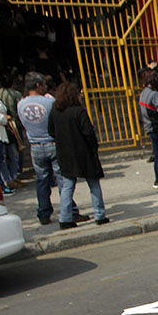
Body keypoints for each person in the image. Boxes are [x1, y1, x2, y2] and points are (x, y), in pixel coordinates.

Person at [18, 71, 85, 224]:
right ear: (38, 85)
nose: (45, 88)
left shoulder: (21, 104)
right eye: (43, 85)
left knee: (42, 180)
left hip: (35, 145)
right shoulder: (49, 102)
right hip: (52, 143)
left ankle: (44, 213)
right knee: (63, 179)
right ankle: (70, 211)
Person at [48, 83, 109, 228]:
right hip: (83, 152)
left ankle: (65, 218)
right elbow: (88, 132)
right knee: (93, 183)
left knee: (67, 185)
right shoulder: (79, 111)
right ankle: (99, 215)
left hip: (65, 153)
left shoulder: (55, 112)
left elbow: (51, 131)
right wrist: (93, 146)